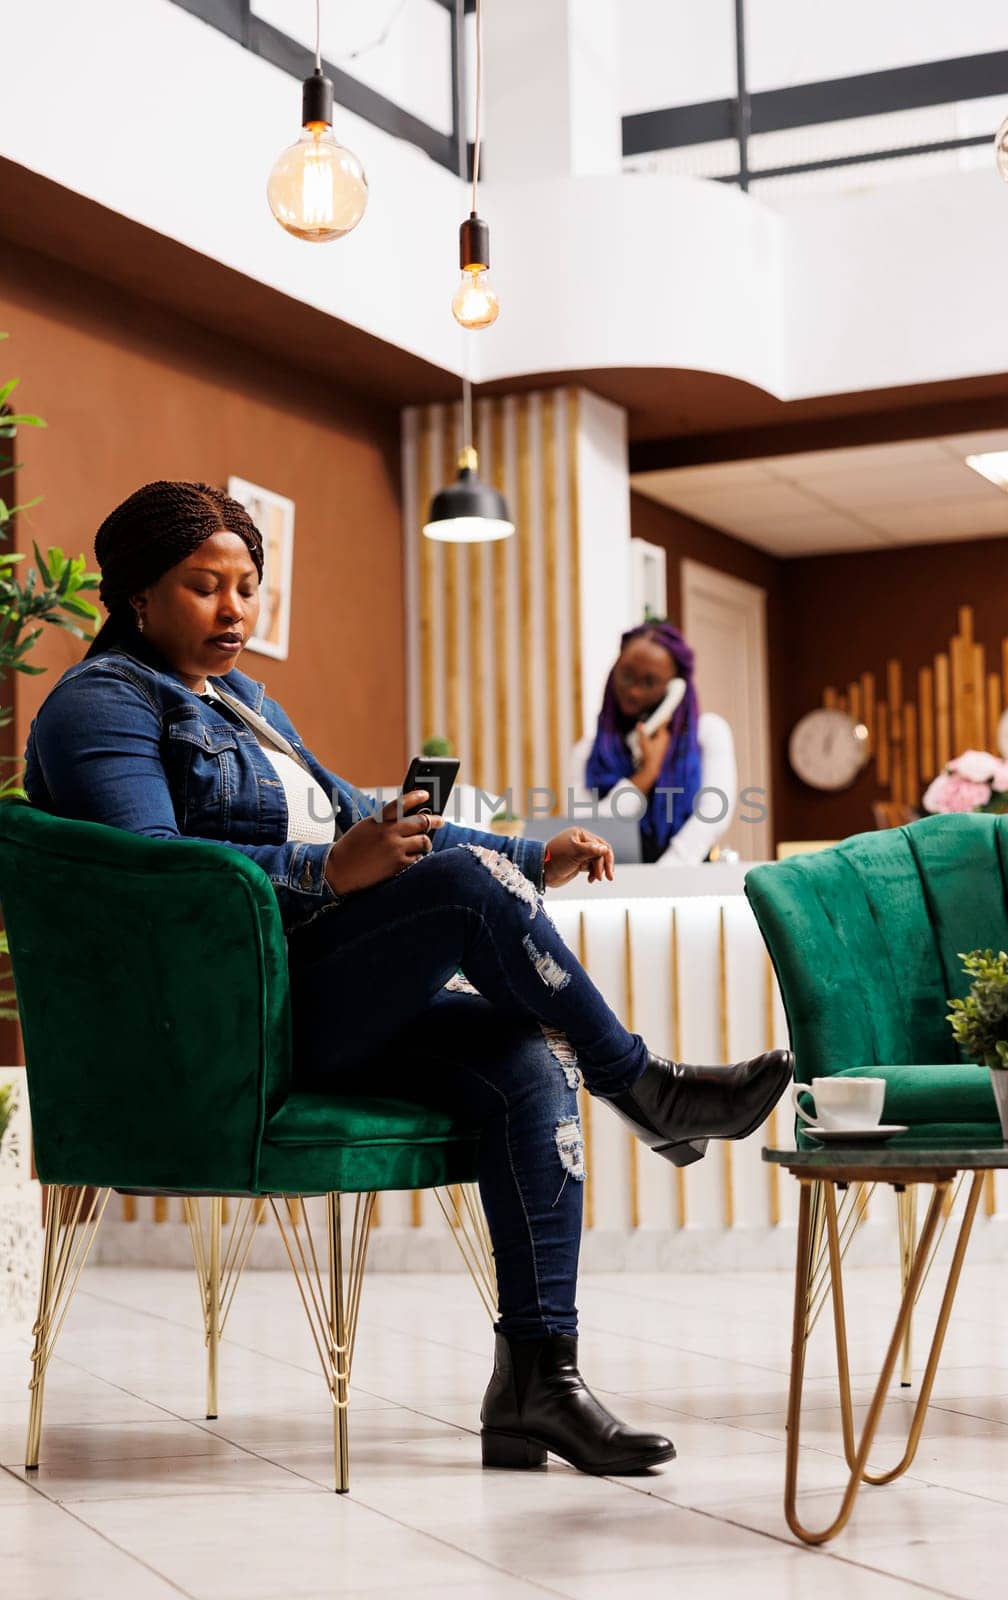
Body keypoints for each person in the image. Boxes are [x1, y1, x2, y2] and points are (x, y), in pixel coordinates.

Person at [23, 482, 791, 1477]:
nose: (233, 610)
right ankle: (647, 1087)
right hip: (215, 1027)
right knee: (466, 891)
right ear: (135, 594)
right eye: (203, 585)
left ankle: (535, 1385)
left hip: (307, 999)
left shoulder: (244, 704)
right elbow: (154, 881)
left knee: (524, 1053)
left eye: (247, 587)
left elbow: (365, 815)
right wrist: (325, 870)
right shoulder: (99, 706)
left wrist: (528, 847)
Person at [571, 621, 737, 864]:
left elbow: (712, 816)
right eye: (627, 676)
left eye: (649, 682)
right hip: (611, 884)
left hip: (685, 881)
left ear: (676, 688)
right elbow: (583, 835)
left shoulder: (708, 734)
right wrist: (646, 775)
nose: (634, 691)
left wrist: (664, 874)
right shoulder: (587, 751)